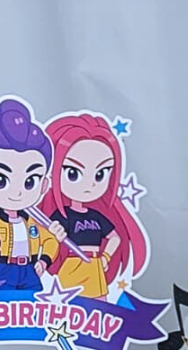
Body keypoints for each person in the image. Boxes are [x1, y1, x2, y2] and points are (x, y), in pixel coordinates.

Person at [40, 113, 148, 299]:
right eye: (73, 173)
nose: (89, 185)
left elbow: (114, 238)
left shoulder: (96, 216)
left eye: (100, 174)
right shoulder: (60, 215)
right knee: (70, 307)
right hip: (72, 265)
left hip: (95, 264)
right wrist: (53, 236)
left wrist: (106, 257)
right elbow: (43, 238)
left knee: (100, 306)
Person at [0, 98, 61, 294]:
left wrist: (44, 261)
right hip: (4, 271)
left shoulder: (33, 223)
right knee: (1, 308)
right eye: (1, 180)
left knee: (33, 309)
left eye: (30, 181)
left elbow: (50, 240)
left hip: (30, 271)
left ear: (43, 184)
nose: (17, 192)